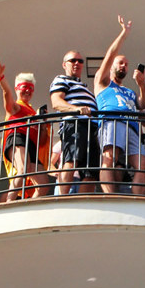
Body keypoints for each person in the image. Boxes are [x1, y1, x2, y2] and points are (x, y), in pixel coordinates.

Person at [94, 15, 145, 195]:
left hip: (132, 127)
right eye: (120, 63)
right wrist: (123, 34)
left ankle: (137, 200)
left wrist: (141, 84)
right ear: (111, 66)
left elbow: (143, 104)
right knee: (109, 158)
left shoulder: (129, 91)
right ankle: (110, 197)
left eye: (126, 64)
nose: (124, 66)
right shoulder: (103, 82)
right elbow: (110, 55)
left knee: (143, 165)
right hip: (113, 121)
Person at [0, 56, 50, 201]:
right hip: (18, 138)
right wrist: (0, 77)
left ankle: (28, 206)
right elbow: (7, 94)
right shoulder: (17, 107)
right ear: (17, 88)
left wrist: (43, 124)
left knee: (43, 184)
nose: (28, 91)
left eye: (31, 88)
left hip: (31, 145)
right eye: (24, 87)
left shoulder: (34, 113)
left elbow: (42, 142)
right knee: (22, 170)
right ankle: (9, 203)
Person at [49, 50, 100, 194]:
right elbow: (56, 102)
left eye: (80, 61)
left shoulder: (85, 88)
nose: (77, 63)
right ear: (64, 64)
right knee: (71, 161)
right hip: (74, 124)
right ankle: (62, 198)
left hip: (91, 128)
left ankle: (83, 203)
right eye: (73, 60)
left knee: (91, 171)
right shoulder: (61, 79)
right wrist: (77, 109)